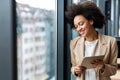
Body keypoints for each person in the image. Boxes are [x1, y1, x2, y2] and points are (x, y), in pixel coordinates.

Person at [65, 1, 118, 80]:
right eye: (76, 26)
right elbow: (74, 66)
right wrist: (75, 70)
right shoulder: (74, 43)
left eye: (81, 24)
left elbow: (114, 69)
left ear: (91, 21)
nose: (79, 29)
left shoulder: (111, 42)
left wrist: (103, 67)